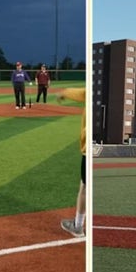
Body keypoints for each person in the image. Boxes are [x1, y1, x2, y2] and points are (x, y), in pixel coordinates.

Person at [58, 87, 87, 238]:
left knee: (84, 188)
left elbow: (84, 92)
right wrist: (65, 93)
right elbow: (82, 92)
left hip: (89, 149)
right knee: (85, 186)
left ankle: (78, 226)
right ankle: (79, 223)